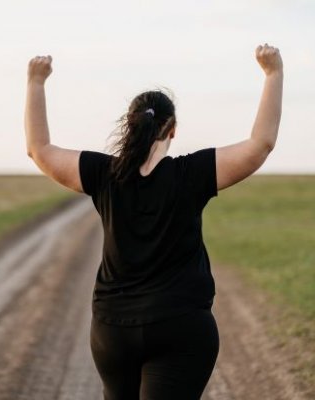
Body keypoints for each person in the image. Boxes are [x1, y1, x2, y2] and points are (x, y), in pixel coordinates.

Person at [24, 43, 283, 399]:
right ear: (172, 129)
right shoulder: (191, 174)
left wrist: (35, 83)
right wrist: (273, 74)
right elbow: (261, 143)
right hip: (180, 327)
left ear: (131, 126)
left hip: (112, 330)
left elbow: (38, 149)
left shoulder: (104, 173)